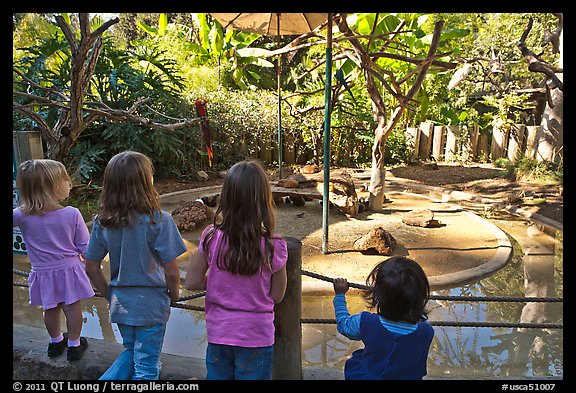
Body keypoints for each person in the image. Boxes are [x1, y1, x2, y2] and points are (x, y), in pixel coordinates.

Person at [84, 151, 187, 380]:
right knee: (147, 367)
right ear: (146, 182)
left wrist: (108, 293)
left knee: (131, 352)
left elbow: (91, 265)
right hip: (150, 306)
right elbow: (171, 270)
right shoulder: (159, 220)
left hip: (121, 305)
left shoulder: (103, 221)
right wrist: (175, 294)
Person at [185, 159, 288, 380]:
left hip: (219, 333)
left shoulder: (211, 235)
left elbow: (191, 282)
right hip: (256, 336)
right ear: (264, 199)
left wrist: (218, 283)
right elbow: (277, 296)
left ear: (227, 197)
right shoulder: (274, 244)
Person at [13, 159, 94, 361]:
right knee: (73, 307)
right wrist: (95, 269)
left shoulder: (21, 215)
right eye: (65, 179)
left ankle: (55, 342)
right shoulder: (72, 214)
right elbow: (86, 247)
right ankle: (74, 345)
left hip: (42, 272)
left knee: (50, 308)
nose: (70, 183)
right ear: (52, 186)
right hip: (70, 269)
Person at [332, 256, 435, 380]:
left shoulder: (366, 322)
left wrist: (340, 295)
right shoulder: (426, 331)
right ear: (420, 296)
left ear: (378, 295)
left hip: (370, 376)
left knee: (358, 359)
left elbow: (344, 326)